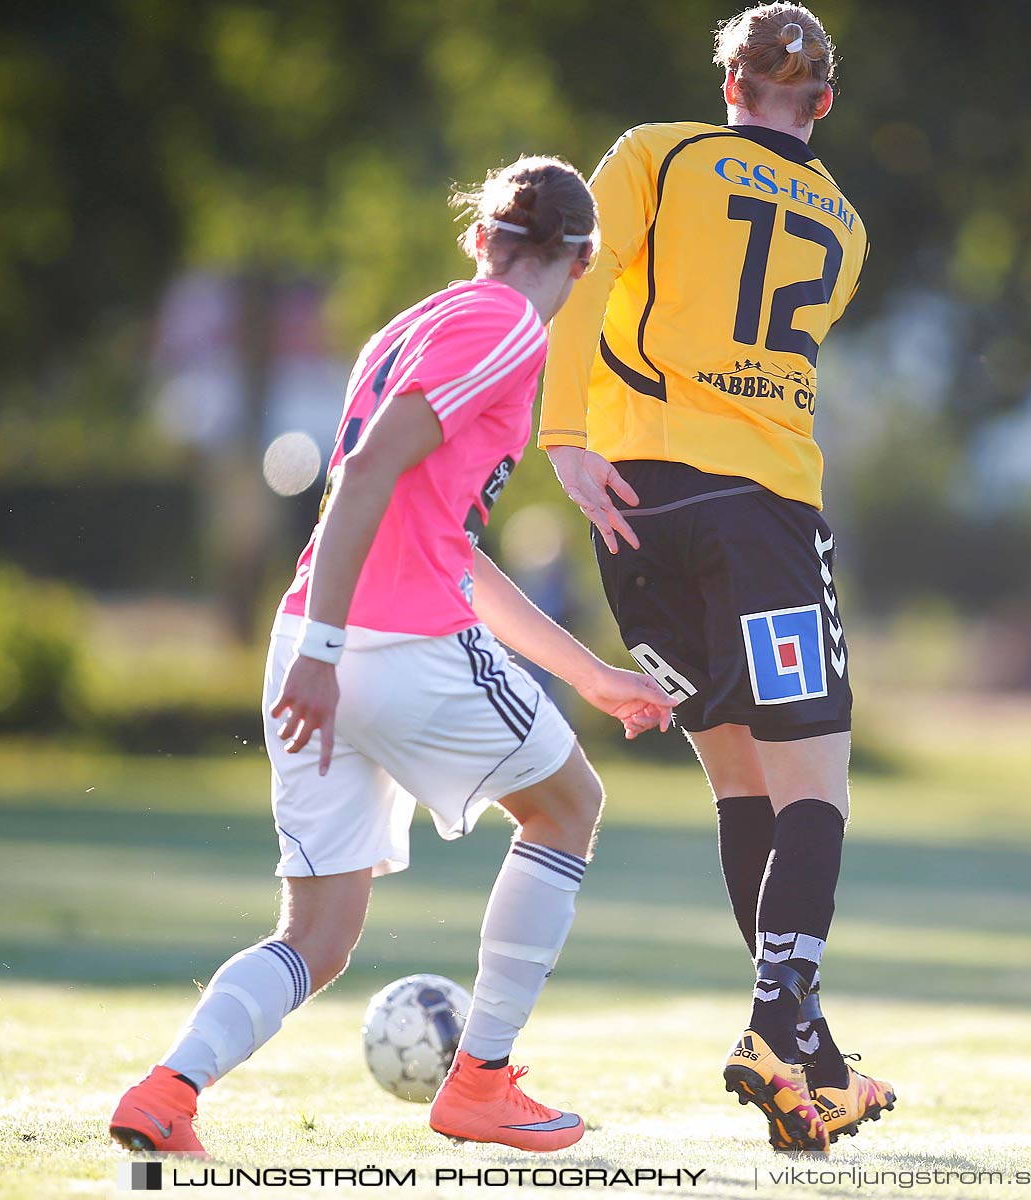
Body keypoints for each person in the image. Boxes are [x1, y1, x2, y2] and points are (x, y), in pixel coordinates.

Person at [108, 156, 675, 1157]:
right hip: (387, 644)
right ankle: (483, 1081)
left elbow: (442, 538)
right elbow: (366, 475)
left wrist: (589, 675)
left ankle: (166, 1092)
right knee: (570, 806)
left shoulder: (414, 325)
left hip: (317, 639)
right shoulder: (505, 326)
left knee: (316, 940)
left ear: (480, 237)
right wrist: (330, 654)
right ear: (582, 260)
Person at [537, 3, 890, 1154]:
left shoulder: (656, 149)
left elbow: (584, 281)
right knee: (814, 794)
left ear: (727, 81)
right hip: (762, 511)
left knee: (741, 785)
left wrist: (563, 434)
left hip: (635, 507)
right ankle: (775, 1023)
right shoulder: (844, 223)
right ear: (822, 103)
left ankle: (813, 1064)